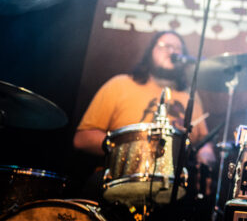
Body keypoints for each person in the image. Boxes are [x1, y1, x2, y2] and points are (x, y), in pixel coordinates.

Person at [74, 30, 216, 166]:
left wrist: (206, 152)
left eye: (178, 48)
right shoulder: (120, 84)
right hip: (119, 177)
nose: (172, 51)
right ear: (150, 52)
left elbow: (203, 141)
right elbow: (82, 139)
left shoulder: (189, 96)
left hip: (173, 182)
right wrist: (131, 149)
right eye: (166, 46)